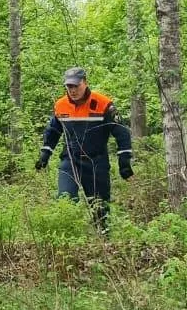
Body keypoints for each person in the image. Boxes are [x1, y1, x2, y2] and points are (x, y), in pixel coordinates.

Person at [35, 67, 133, 231]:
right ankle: (68, 240)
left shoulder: (103, 104)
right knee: (65, 198)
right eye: (69, 87)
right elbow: (53, 131)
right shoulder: (60, 105)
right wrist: (45, 154)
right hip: (70, 160)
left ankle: (104, 240)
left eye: (76, 86)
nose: (72, 90)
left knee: (99, 207)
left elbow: (121, 132)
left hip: (96, 161)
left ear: (85, 83)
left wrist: (124, 160)